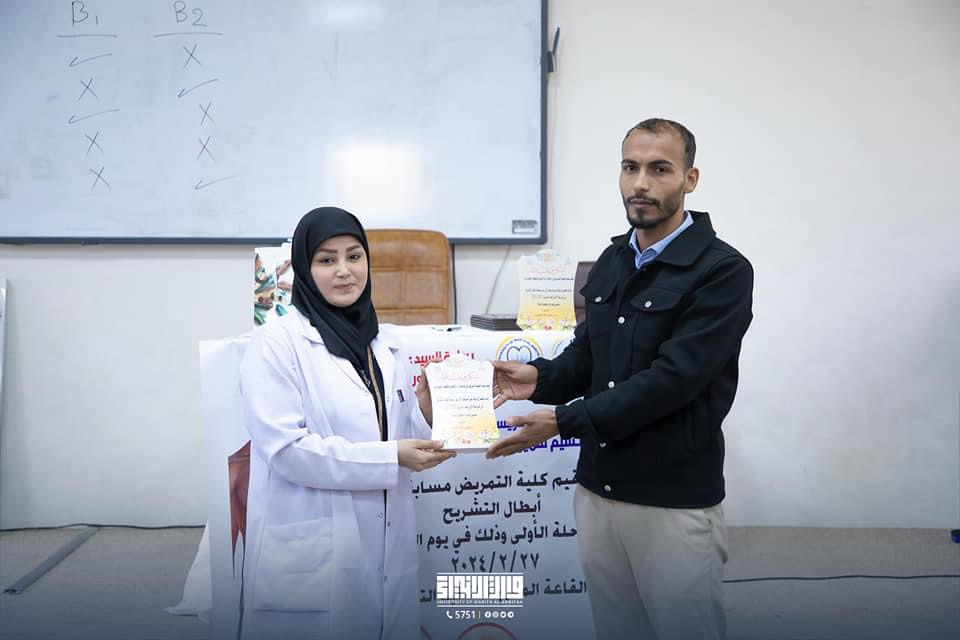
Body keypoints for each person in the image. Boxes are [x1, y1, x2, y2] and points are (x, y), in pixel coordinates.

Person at [487, 118, 753, 640]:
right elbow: (589, 356)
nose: (641, 183)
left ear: (690, 178)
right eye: (630, 168)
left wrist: (563, 420)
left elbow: (672, 381)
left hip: (671, 500)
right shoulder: (613, 259)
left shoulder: (722, 271)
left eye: (660, 169)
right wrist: (536, 378)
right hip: (598, 492)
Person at [239, 207, 456, 640]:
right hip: (314, 544)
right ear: (304, 268)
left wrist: (426, 411)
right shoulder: (276, 344)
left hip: (387, 539)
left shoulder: (385, 342)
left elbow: (397, 434)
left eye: (354, 257)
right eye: (327, 260)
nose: (344, 271)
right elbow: (286, 451)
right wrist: (390, 457)